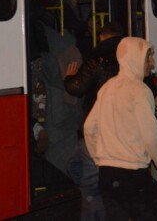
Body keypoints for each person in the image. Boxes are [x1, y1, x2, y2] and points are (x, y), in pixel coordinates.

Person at [84, 37, 157, 221]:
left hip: (107, 175)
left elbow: (89, 127)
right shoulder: (140, 90)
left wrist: (99, 157)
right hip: (133, 175)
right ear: (135, 58)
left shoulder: (107, 88)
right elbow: (151, 135)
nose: (152, 63)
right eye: (148, 58)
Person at [64, 22, 124, 221]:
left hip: (97, 125)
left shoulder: (96, 56)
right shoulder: (128, 57)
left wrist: (69, 78)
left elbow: (76, 87)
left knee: (86, 176)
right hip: (120, 124)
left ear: (101, 37)